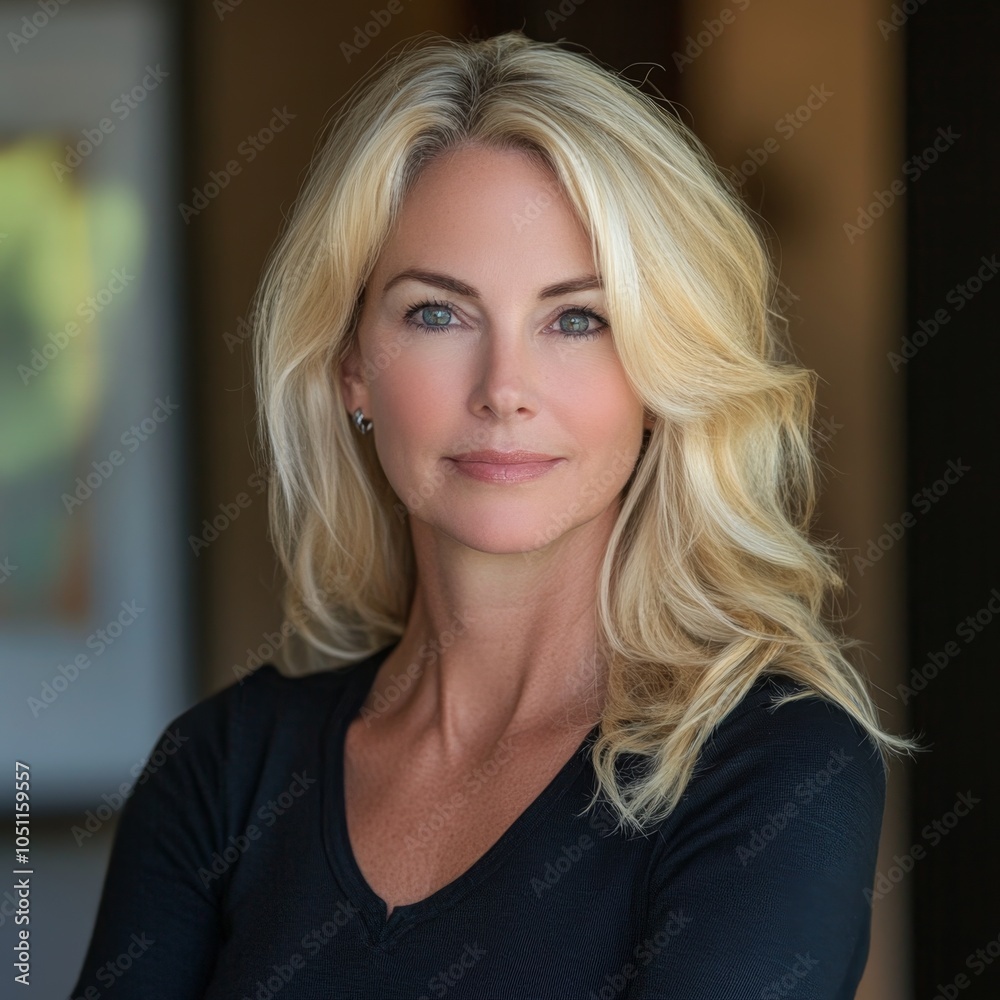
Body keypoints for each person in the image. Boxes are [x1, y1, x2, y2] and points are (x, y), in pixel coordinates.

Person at [71, 30, 922, 999]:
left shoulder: (773, 765)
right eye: (438, 313)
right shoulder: (221, 771)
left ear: (658, 373)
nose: (504, 389)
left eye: (577, 318)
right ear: (352, 365)